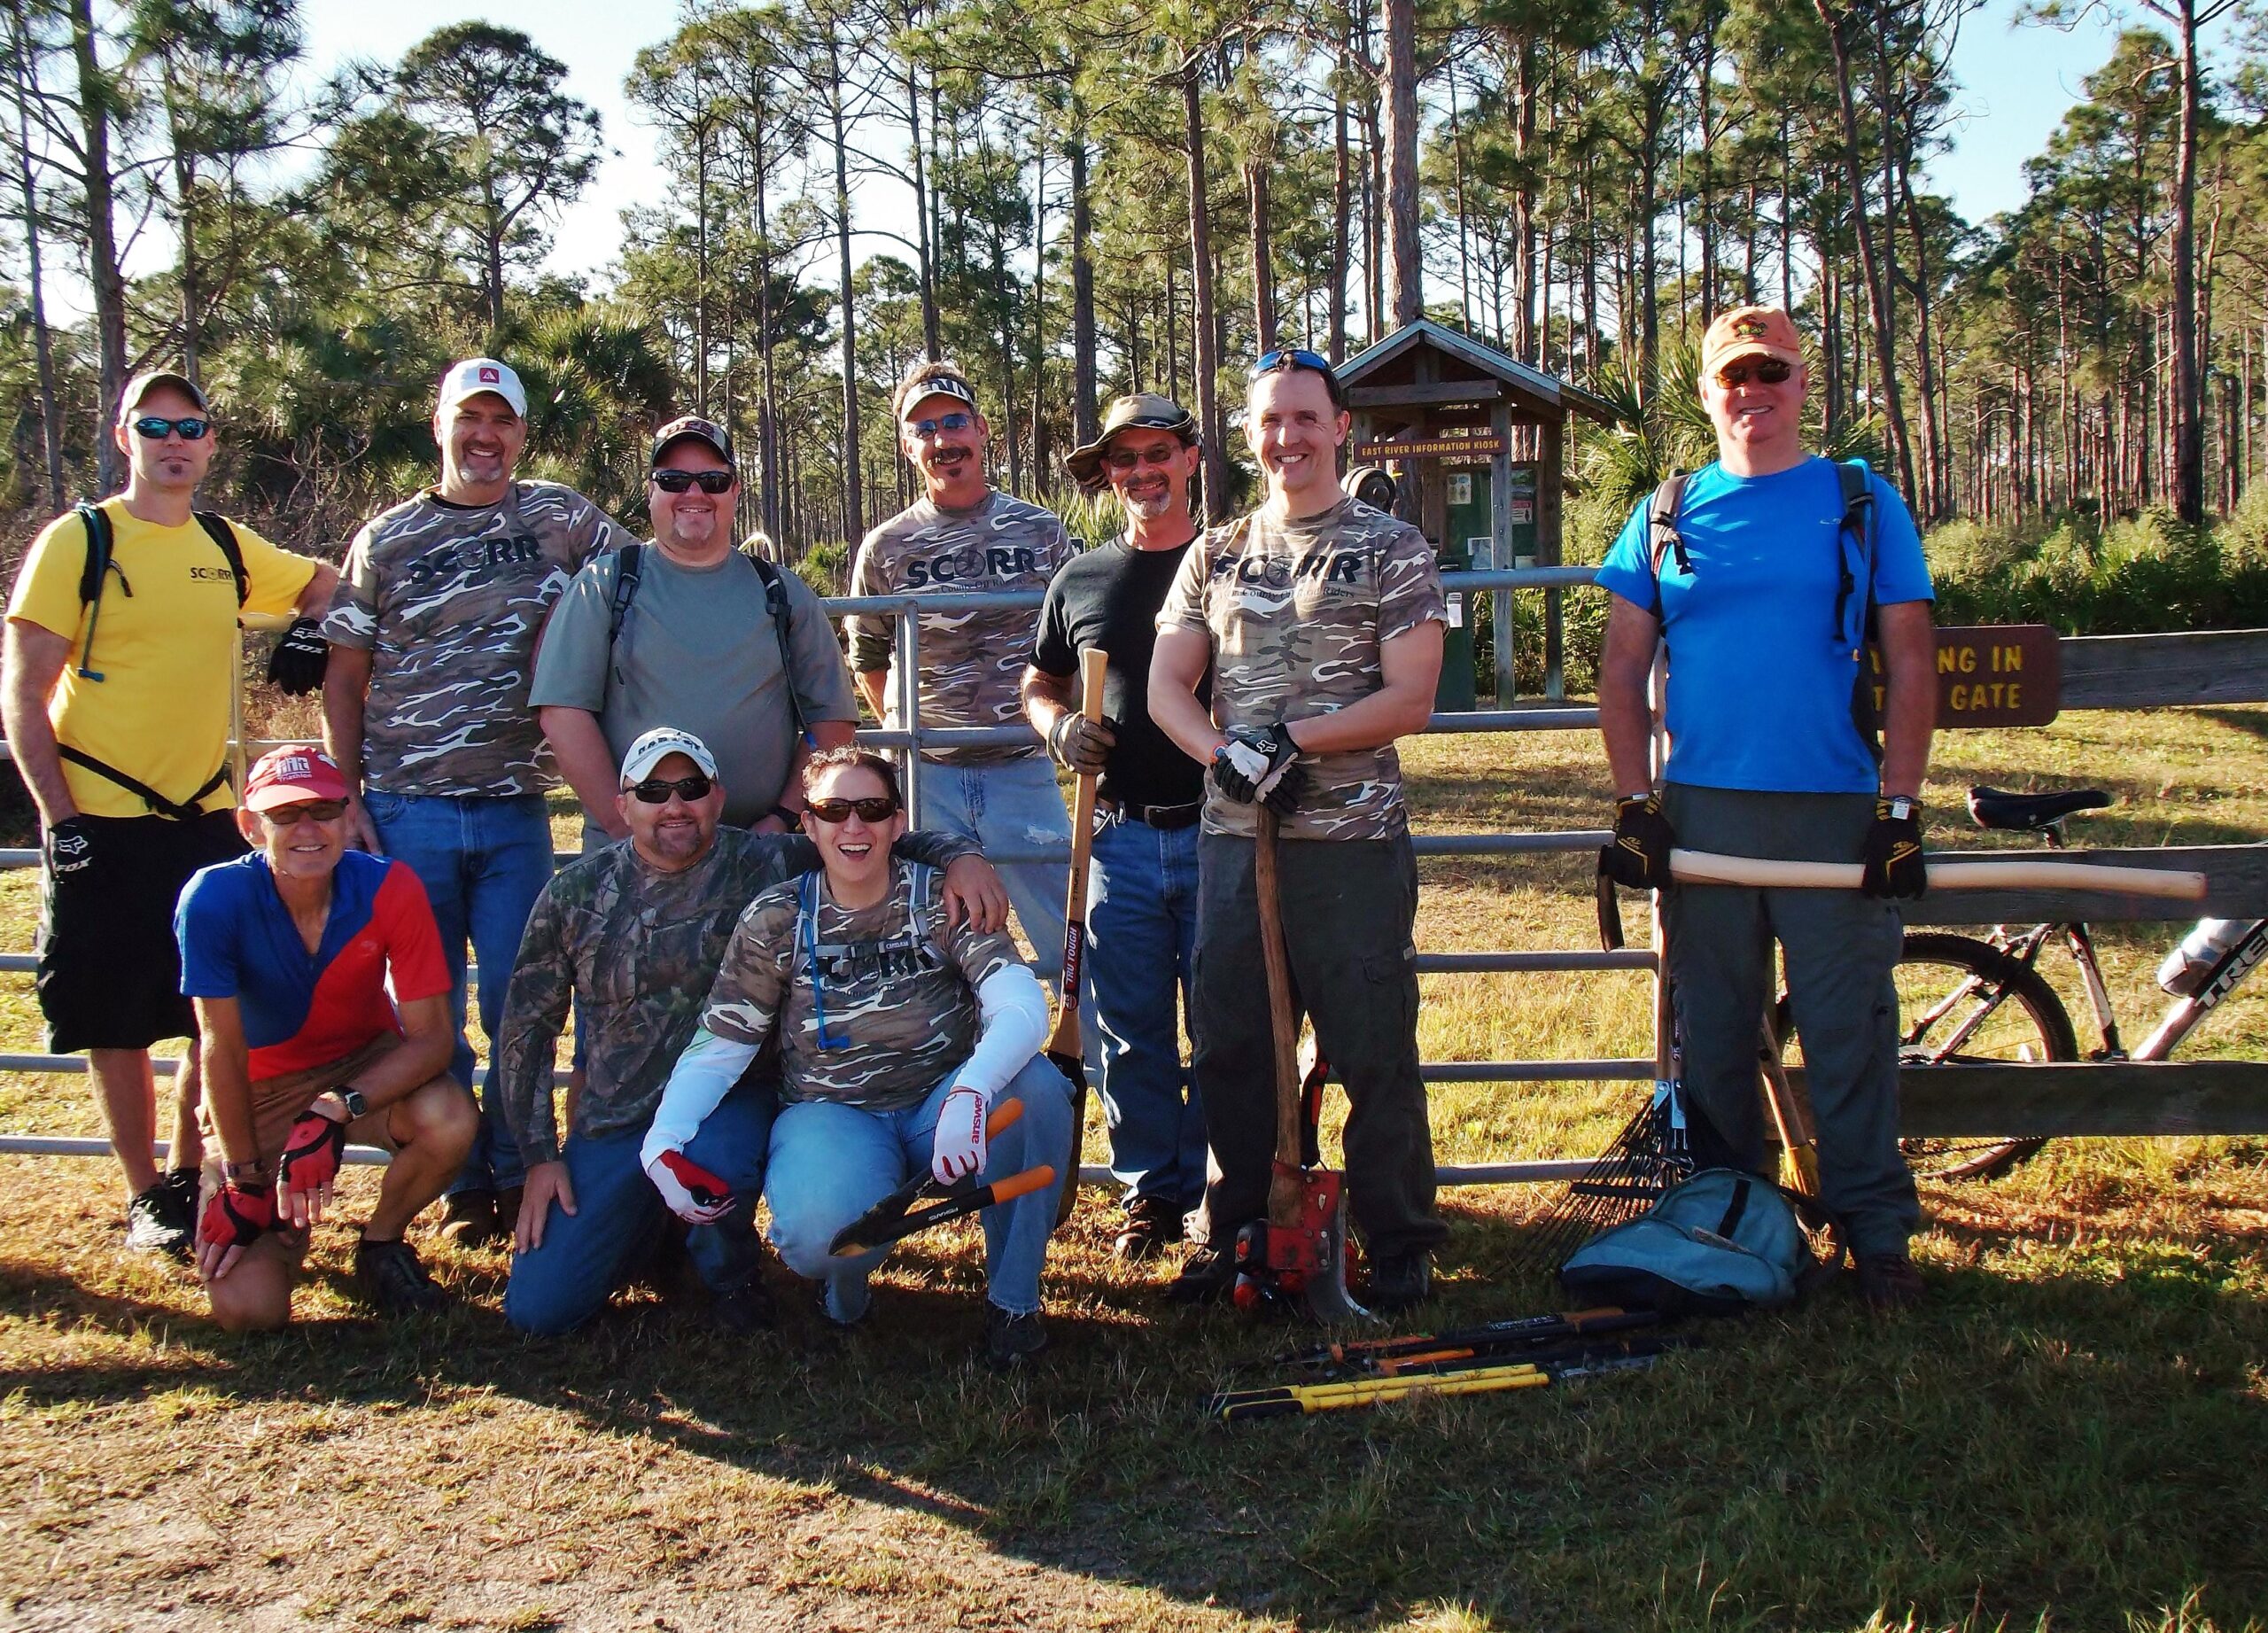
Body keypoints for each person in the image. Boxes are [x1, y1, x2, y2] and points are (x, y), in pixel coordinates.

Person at [1594, 305, 1938, 1312]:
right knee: (1714, 1036)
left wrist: (1899, 808)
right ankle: (1735, 1224)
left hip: (1835, 816)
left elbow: (1910, 660)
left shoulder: (1860, 501)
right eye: (1732, 377)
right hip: (1701, 821)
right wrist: (1633, 803)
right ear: (1705, 393)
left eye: (1771, 373)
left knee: (1848, 1032)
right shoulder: (1664, 510)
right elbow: (1620, 670)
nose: (1753, 392)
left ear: (1800, 384)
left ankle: (1876, 1237)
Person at [495, 728, 1006, 1335]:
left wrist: (961, 856)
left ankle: (731, 1278)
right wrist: (539, 1158)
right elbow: (526, 1029)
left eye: (692, 786)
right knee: (539, 1311)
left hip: (731, 1096)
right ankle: (650, 1234)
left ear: (718, 796)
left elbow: (871, 832)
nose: (675, 804)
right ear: (621, 804)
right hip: (618, 1117)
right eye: (654, 790)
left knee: (714, 1160)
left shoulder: (766, 859)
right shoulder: (574, 894)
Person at [3, 371, 338, 1259]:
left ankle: (192, 1171)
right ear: (125, 436)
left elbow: (326, 582)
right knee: (111, 1017)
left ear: (210, 442)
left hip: (209, 820)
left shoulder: (225, 545)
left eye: (190, 426)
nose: (173, 440)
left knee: (209, 1008)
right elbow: (23, 689)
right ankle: (143, 1190)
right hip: (99, 817)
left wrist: (310, 623)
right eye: (155, 425)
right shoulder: (80, 540)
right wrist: (58, 816)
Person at [1149, 347, 1448, 1313]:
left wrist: (1288, 738)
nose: (1288, 438)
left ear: (1339, 427)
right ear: (1250, 435)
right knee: (1234, 1046)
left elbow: (1410, 697)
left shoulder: (1389, 548)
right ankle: (1242, 1231)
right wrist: (1223, 753)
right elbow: (1165, 685)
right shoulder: (1218, 551)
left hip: (1349, 846)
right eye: (1271, 421)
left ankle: (1398, 1235)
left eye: (1306, 418)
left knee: (1372, 1047)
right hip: (1239, 842)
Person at [322, 358, 635, 1248]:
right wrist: (346, 794)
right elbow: (345, 676)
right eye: (470, 418)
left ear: (521, 434)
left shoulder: (561, 517)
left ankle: (513, 1166)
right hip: (407, 804)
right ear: (441, 427)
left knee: (519, 1001)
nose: (485, 435)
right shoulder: (387, 537)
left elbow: (646, 582)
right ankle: (460, 1180)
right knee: (429, 1010)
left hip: (514, 808)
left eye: (502, 419)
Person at [645, 747, 1074, 1367]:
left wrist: (973, 1087)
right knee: (823, 1231)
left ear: (898, 822)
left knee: (1035, 1090)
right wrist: (662, 1140)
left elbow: (1019, 1004)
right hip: (832, 1112)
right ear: (809, 824)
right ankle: (843, 1289)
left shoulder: (941, 898)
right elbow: (722, 1044)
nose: (854, 826)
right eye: (833, 809)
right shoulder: (777, 918)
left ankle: (1014, 1304)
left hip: (941, 1108)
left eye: (872, 809)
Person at [175, 745, 475, 1329]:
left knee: (451, 1115)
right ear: (249, 825)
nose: (308, 829)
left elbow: (433, 1040)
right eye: (285, 814)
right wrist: (242, 1179)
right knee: (250, 1311)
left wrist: (333, 1109)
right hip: (257, 1092)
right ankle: (266, 1215)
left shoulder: (392, 886)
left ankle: (381, 1246)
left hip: (360, 1068)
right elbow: (220, 1050)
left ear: (349, 816)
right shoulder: (212, 898)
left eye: (324, 810)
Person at [1022, 393, 1209, 1261]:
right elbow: (1039, 683)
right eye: (1124, 461)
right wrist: (1058, 728)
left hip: (1220, 831)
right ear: (1108, 476)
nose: (1142, 473)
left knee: (1222, 1021)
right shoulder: (1083, 578)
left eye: (1156, 453)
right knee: (1130, 1030)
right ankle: (1149, 1195)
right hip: (1117, 836)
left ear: (1189, 457)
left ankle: (1216, 1187)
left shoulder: (1230, 565)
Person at [844, 361, 1078, 981]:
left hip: (1022, 769)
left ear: (980, 429)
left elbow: (1074, 642)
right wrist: (912, 734)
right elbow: (867, 656)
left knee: (1075, 941)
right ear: (907, 447)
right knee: (937, 948)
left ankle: (1090, 1067)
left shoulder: (1042, 532)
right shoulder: (886, 546)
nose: (943, 440)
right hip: (928, 782)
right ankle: (960, 1076)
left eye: (954, 422)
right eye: (925, 429)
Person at [532, 416, 859, 848]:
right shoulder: (604, 586)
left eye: (712, 480)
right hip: (632, 858)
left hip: (758, 855)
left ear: (735, 490)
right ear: (651, 491)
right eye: (673, 480)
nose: (694, 494)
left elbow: (829, 720)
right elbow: (562, 714)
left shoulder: (782, 592)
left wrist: (782, 817)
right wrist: (625, 830)